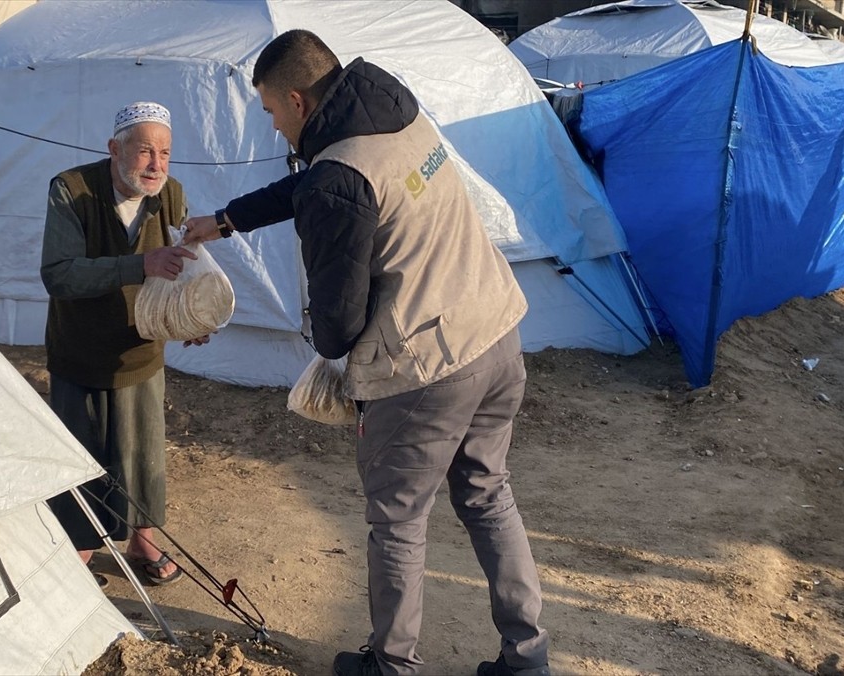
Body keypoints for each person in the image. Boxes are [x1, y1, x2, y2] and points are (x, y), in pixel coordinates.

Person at [184, 31, 550, 676]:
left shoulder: (337, 176)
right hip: (495, 331)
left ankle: (391, 665)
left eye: (270, 111)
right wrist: (227, 219)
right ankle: (527, 658)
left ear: (296, 100)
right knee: (489, 496)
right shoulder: (393, 114)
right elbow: (327, 187)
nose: (272, 126)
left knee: (399, 521)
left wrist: (334, 358)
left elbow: (338, 309)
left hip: (427, 365)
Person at [41, 101, 205, 587]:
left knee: (143, 451)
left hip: (141, 349)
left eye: (166, 153)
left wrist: (189, 316)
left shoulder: (171, 195)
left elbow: (183, 265)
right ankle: (82, 550)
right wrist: (140, 264)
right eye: (144, 152)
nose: (156, 165)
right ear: (114, 149)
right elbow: (59, 274)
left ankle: (142, 539)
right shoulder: (71, 190)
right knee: (83, 452)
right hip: (81, 349)